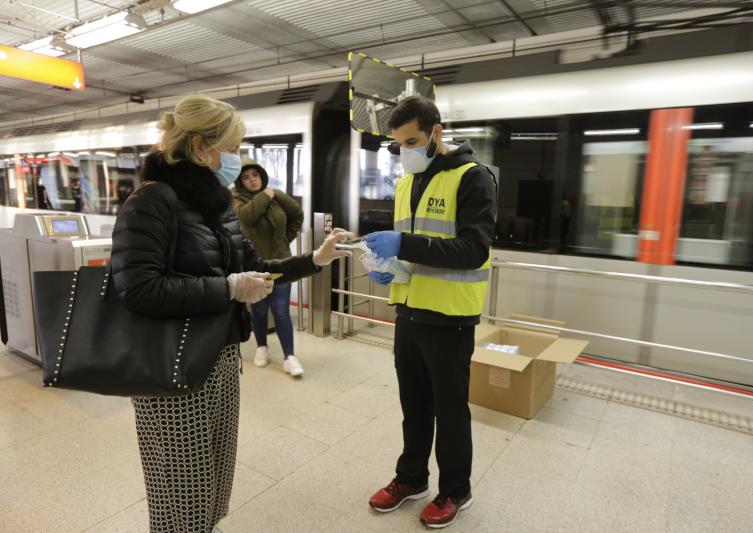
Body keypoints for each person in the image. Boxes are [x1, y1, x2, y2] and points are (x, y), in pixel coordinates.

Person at [109, 95, 351, 533]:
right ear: (201, 146)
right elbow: (139, 289)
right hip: (172, 365)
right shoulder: (150, 202)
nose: (238, 160)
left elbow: (253, 266)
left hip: (219, 355)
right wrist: (227, 288)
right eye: (233, 148)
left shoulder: (217, 205)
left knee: (215, 471)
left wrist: (315, 259)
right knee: (180, 486)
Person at [365, 96, 497, 529]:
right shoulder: (407, 182)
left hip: (450, 317)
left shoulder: (472, 178)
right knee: (414, 405)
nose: (405, 151)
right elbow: (413, 248)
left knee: (450, 410)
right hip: (409, 311)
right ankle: (411, 479)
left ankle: (456, 490)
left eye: (412, 142)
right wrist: (391, 266)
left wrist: (404, 245)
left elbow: (473, 250)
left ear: (436, 132)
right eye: (399, 144)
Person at [233, 159, 305, 375]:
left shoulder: (275, 196)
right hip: (256, 266)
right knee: (259, 309)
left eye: (255, 175)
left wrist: (284, 240)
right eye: (246, 177)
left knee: (281, 311)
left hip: (280, 263)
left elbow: (297, 215)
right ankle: (261, 347)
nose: (252, 180)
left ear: (262, 176)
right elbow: (248, 217)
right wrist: (266, 195)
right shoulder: (238, 201)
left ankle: (289, 356)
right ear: (240, 182)